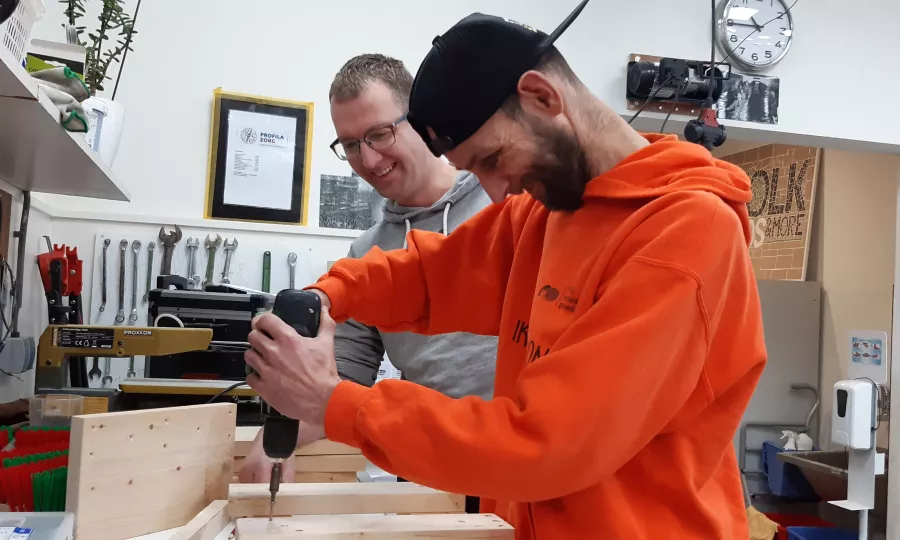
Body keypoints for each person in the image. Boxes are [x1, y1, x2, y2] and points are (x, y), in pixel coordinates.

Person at [244, 2, 767, 539]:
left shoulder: (685, 234)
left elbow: (548, 445)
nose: (497, 192)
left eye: (493, 159)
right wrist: (329, 295)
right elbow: (427, 277)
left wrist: (339, 406)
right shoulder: (545, 211)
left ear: (542, 97)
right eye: (475, 170)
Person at [237, 54, 498, 488]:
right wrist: (275, 437)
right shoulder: (365, 255)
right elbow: (338, 380)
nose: (370, 160)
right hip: (430, 470)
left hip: (522, 457)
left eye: (379, 134)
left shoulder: (502, 201)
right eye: (351, 145)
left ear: (420, 120)